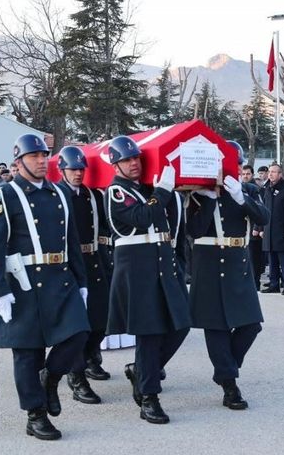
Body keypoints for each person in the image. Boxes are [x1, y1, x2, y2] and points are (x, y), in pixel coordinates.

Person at [0, 134, 90, 440]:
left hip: (60, 277)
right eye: (34, 157)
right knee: (28, 352)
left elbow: (72, 240)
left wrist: (81, 281)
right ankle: (36, 415)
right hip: (24, 282)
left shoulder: (58, 192)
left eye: (45, 155)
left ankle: (51, 379)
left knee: (78, 333)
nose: (43, 161)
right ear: (18, 162)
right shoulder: (4, 195)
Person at [105, 135, 192, 424]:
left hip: (163, 265)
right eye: (127, 160)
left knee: (181, 324)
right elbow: (143, 217)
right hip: (138, 270)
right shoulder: (116, 192)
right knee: (149, 333)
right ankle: (149, 398)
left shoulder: (147, 189)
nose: (133, 164)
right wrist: (164, 189)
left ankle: (142, 372)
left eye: (136, 159)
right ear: (116, 164)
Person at [186, 140, 269, 411]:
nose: (228, 170)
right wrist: (209, 201)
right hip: (208, 263)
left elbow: (264, 218)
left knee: (251, 324)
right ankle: (229, 385)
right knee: (216, 327)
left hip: (238, 262)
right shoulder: (199, 194)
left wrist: (241, 198)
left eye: (234, 165)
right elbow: (194, 230)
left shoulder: (248, 190)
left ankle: (226, 369)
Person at [54, 146, 112, 398]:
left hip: (94, 258)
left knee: (101, 317)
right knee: (76, 324)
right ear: (62, 170)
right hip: (70, 262)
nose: (78, 174)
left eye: (81, 169)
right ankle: (75, 377)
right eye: (73, 169)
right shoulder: (56, 195)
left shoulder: (92, 195)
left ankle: (90, 356)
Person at [260, 164, 284, 295]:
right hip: (268, 230)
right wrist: (261, 227)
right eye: (270, 172)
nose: (270, 174)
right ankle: (274, 284)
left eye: (274, 172)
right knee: (272, 260)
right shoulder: (267, 189)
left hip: (281, 230)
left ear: (280, 174)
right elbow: (262, 209)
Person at [242, 165, 264, 291]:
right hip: (242, 232)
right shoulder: (239, 188)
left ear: (252, 174)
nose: (245, 176)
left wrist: (257, 228)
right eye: (243, 174)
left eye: (248, 174)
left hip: (253, 232)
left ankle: (256, 283)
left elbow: (260, 209)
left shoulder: (256, 189)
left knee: (254, 260)